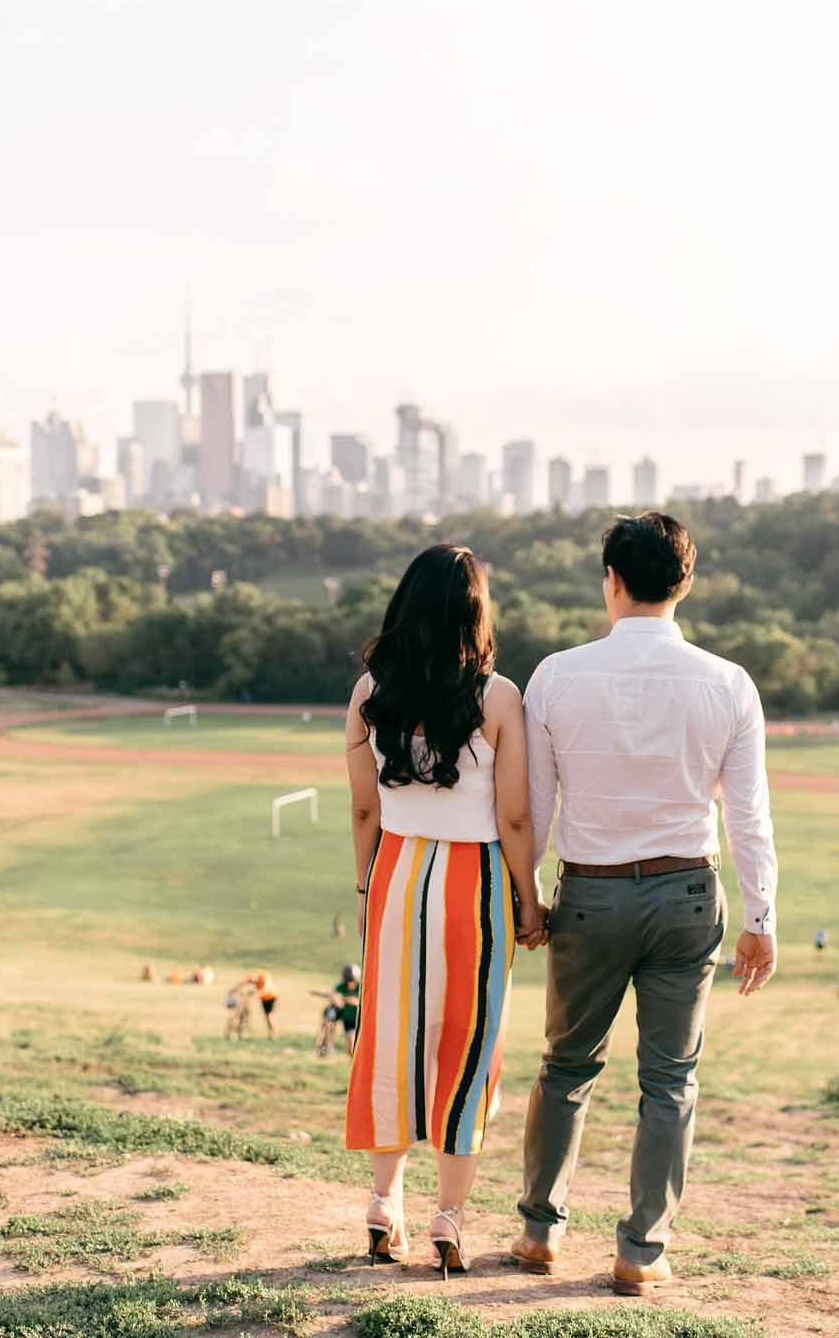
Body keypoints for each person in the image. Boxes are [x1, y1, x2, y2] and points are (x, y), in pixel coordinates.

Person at [512, 513, 779, 1298]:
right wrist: (762, 916)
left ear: (611, 579)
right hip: (687, 893)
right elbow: (749, 816)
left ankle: (539, 1230)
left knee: (565, 1066)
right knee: (669, 1079)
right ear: (685, 583)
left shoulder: (556, 675)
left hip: (588, 893)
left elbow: (532, 805)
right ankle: (640, 1248)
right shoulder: (729, 682)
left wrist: (527, 897)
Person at [344, 544, 546, 1277]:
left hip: (397, 871)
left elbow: (365, 806)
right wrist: (530, 901)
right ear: (475, 611)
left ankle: (381, 1202)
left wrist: (368, 888)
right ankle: (448, 1217)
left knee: (391, 1036)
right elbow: (516, 816)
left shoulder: (370, 691)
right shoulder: (498, 697)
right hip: (475, 882)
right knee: (467, 1042)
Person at [230, 971, 279, 1036]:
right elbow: (241, 984)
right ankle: (272, 1033)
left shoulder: (263, 976)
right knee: (268, 1015)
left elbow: (266, 988)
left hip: (270, 996)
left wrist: (255, 992)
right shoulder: (253, 977)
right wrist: (233, 990)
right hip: (267, 996)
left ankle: (273, 1033)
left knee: (269, 1015)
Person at [333, 962, 362, 1054]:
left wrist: (356, 1002)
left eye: (352, 981)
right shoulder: (341, 987)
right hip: (348, 1020)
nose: (350, 984)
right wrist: (342, 1000)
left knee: (356, 1043)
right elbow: (336, 999)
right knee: (350, 1046)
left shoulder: (361, 987)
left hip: (359, 1020)